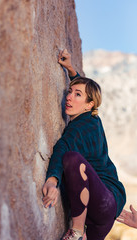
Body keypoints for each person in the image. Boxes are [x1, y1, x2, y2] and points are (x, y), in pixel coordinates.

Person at [42, 49, 126, 240]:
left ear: (89, 104)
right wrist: (71, 70)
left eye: (76, 94)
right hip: (104, 215)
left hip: (104, 202)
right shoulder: (92, 116)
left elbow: (62, 148)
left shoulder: (82, 127)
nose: (69, 97)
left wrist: (52, 180)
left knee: (72, 158)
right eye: (69, 91)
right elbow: (86, 90)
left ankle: (77, 231)